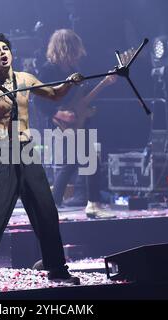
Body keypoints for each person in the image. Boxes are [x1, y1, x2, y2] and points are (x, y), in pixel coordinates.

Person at [0, 33, 83, 286]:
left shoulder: (25, 79)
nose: (3, 53)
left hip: (27, 149)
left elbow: (54, 94)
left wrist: (69, 83)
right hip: (3, 151)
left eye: (5, 49)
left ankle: (56, 269)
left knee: (46, 209)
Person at [35, 29, 117, 219]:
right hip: (59, 122)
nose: (79, 53)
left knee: (75, 162)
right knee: (87, 160)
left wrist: (101, 90)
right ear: (67, 48)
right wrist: (59, 113)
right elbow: (38, 100)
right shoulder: (48, 70)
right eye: (75, 49)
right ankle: (92, 205)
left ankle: (59, 206)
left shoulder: (74, 71)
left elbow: (80, 100)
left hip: (76, 121)